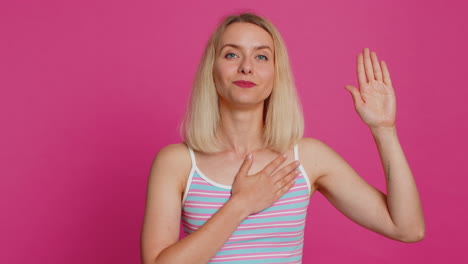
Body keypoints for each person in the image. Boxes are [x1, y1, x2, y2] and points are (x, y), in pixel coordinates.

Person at [140, 12, 425, 264]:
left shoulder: (308, 158)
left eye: (261, 56)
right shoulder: (177, 163)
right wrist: (241, 205)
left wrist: (384, 130)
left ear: (277, 74)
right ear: (211, 70)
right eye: (231, 54)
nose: (246, 67)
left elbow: (407, 228)